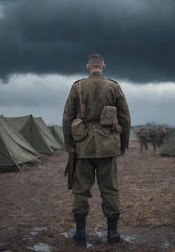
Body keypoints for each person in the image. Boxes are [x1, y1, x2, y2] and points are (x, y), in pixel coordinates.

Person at [62, 54, 131, 245]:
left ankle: (80, 235)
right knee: (110, 190)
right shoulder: (114, 86)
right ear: (103, 66)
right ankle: (113, 234)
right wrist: (123, 143)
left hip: (82, 148)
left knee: (80, 191)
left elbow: (67, 118)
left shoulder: (77, 86)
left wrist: (69, 146)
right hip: (108, 147)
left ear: (88, 66)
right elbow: (125, 118)